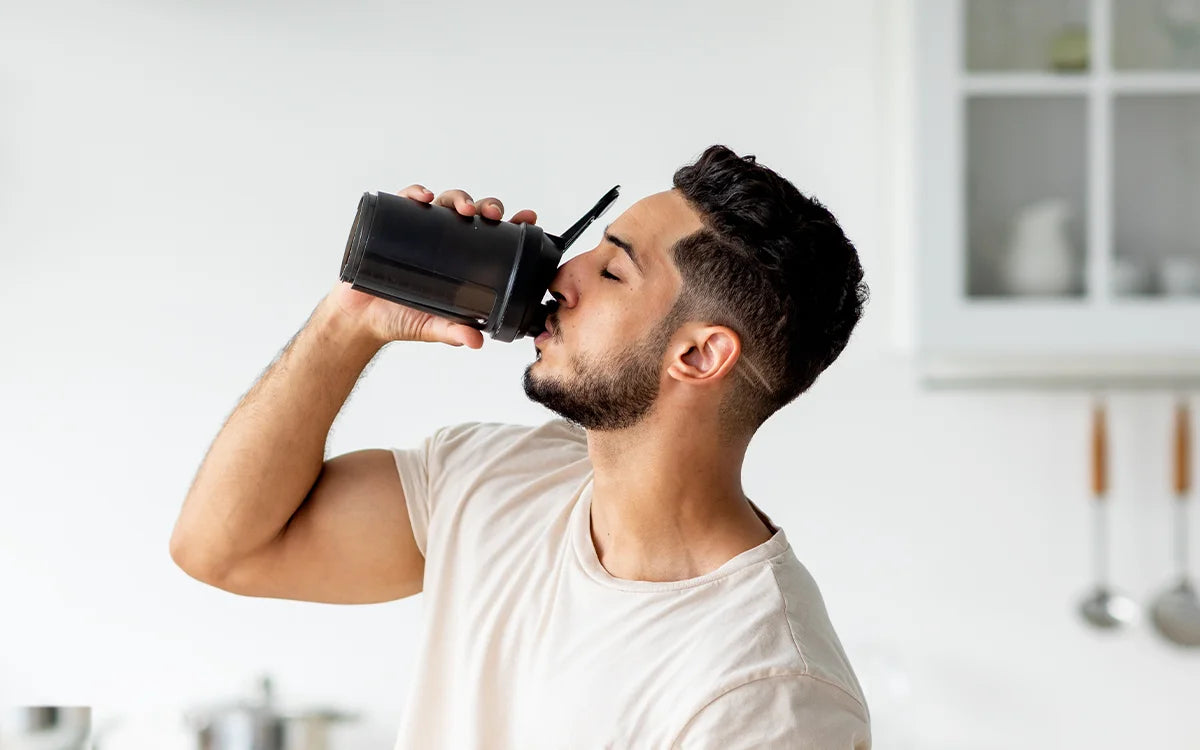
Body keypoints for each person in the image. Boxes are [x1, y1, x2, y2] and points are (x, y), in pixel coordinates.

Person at [170, 144, 872, 749]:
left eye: (611, 271)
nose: (562, 277)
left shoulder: (768, 691)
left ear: (697, 356)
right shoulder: (497, 482)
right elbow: (225, 548)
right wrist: (351, 318)